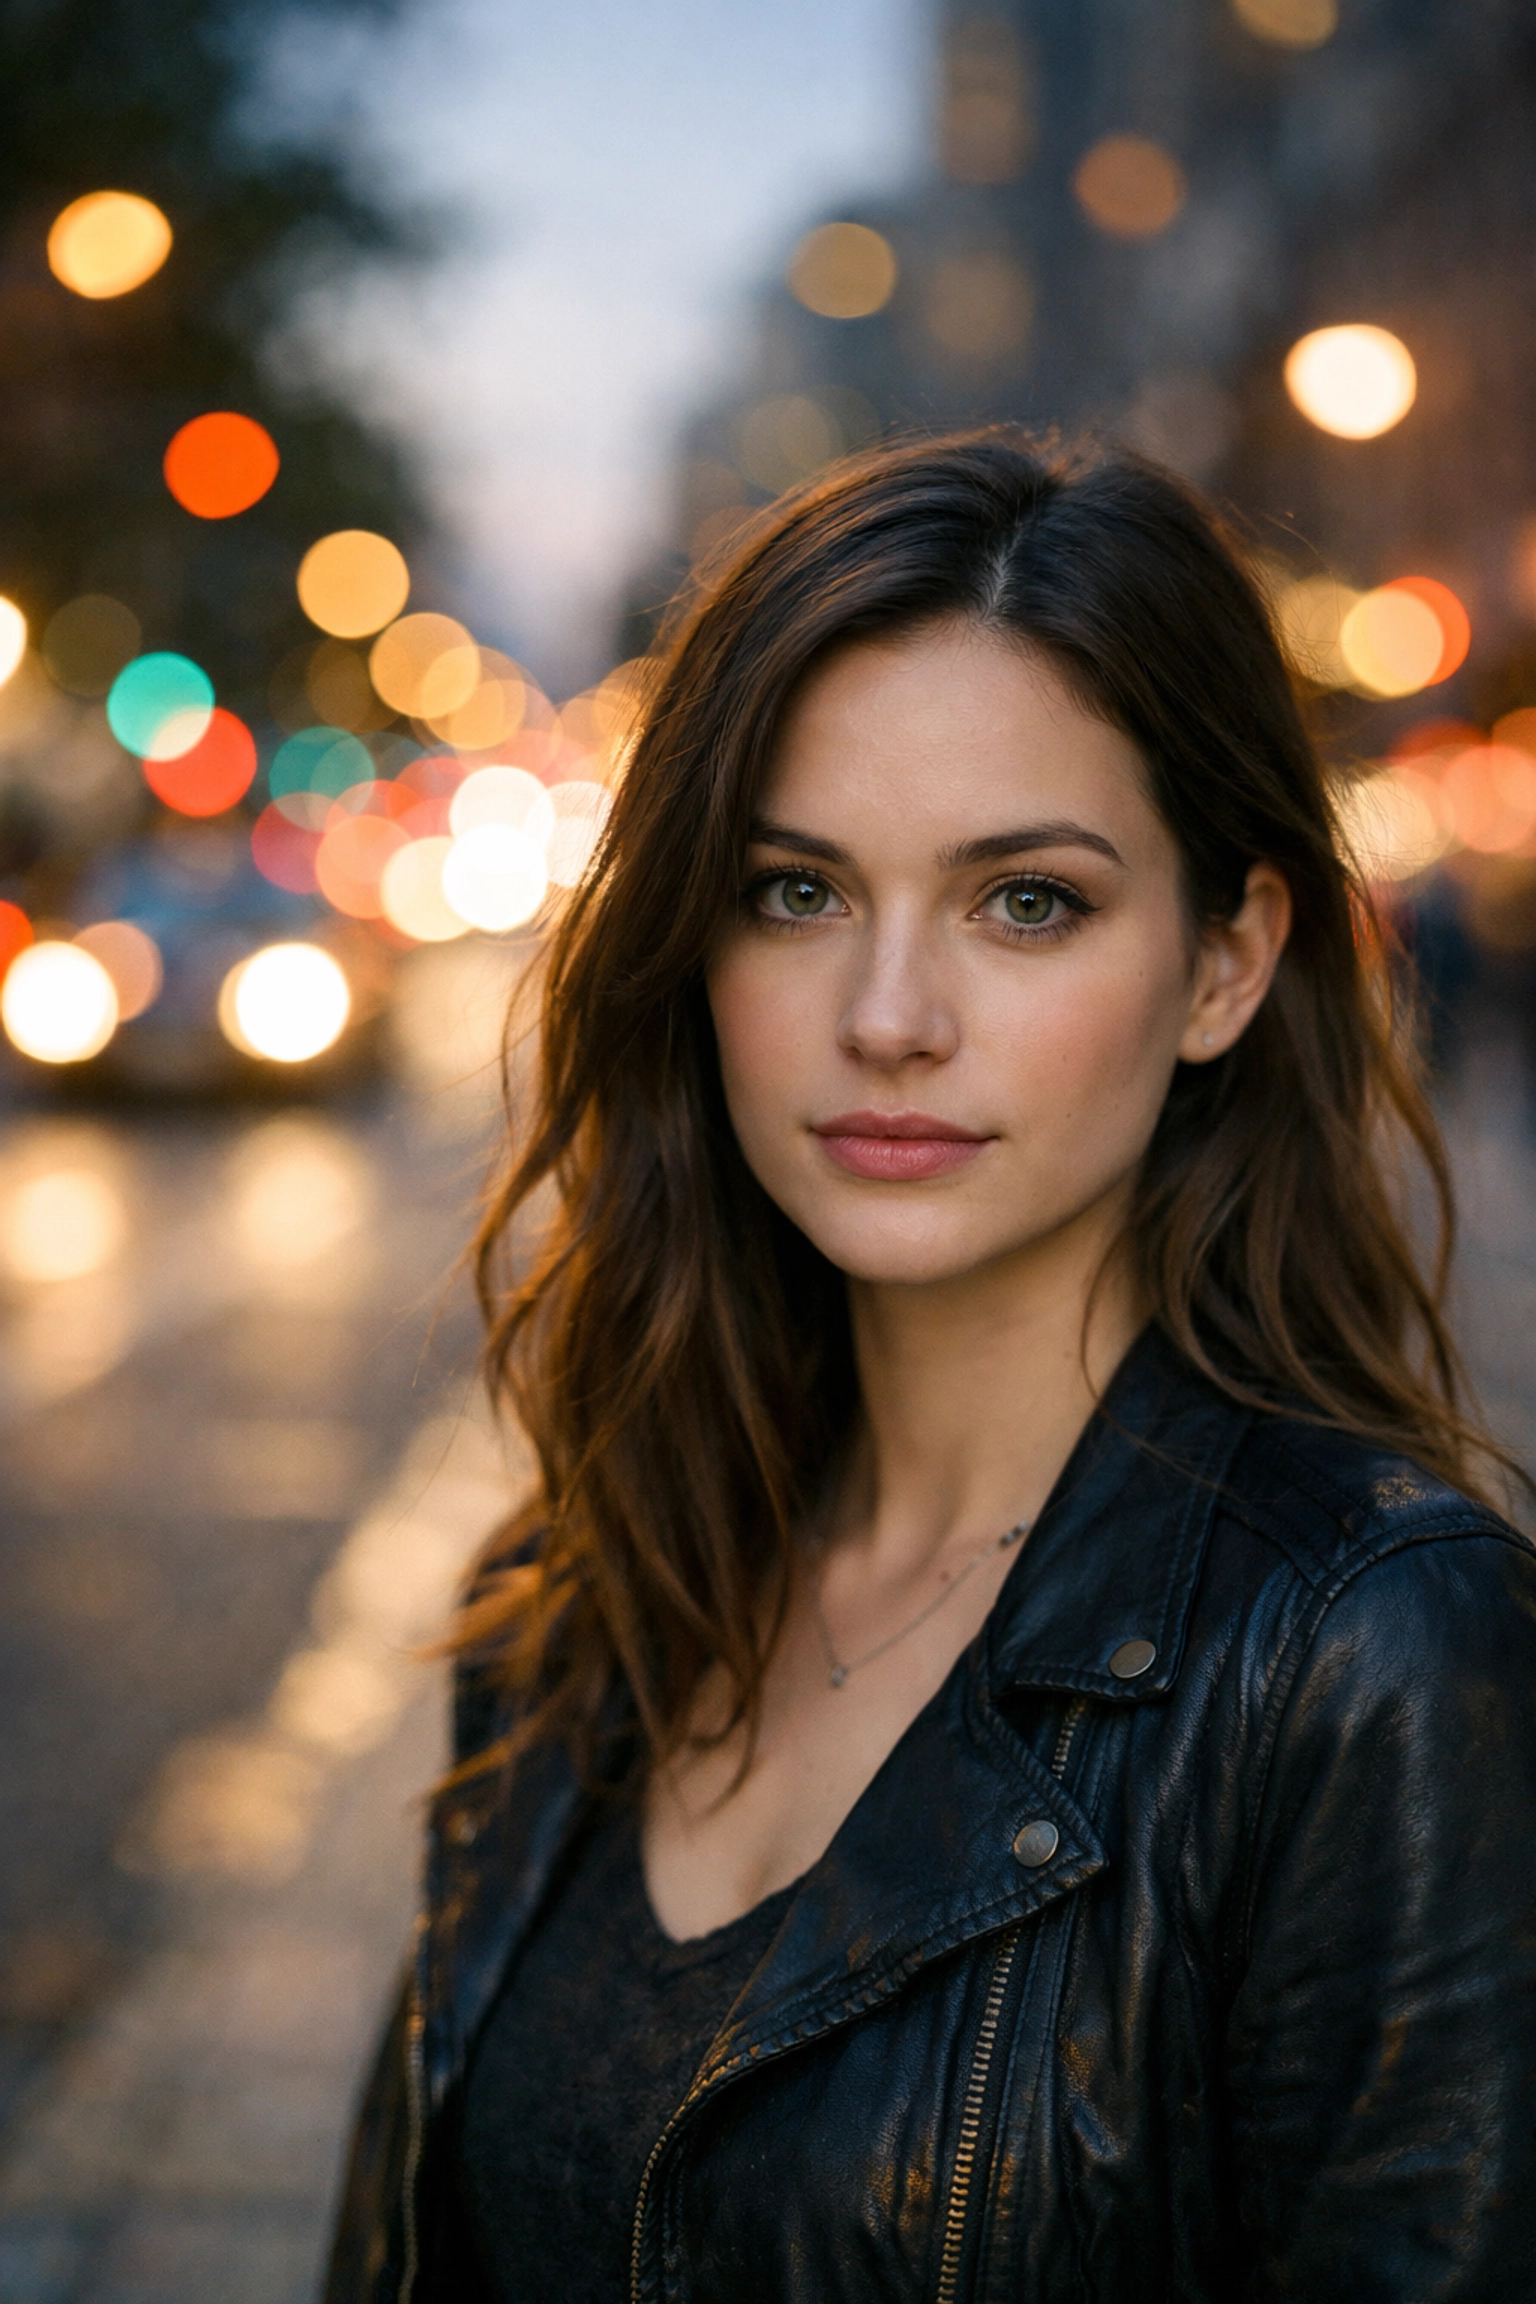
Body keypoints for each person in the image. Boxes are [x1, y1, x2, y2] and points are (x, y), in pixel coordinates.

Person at [326, 433, 1536, 2303]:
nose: (888, 1017)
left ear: (1226, 963)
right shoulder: (574, 1609)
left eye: (1026, 900)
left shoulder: (1374, 1665)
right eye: (798, 893)